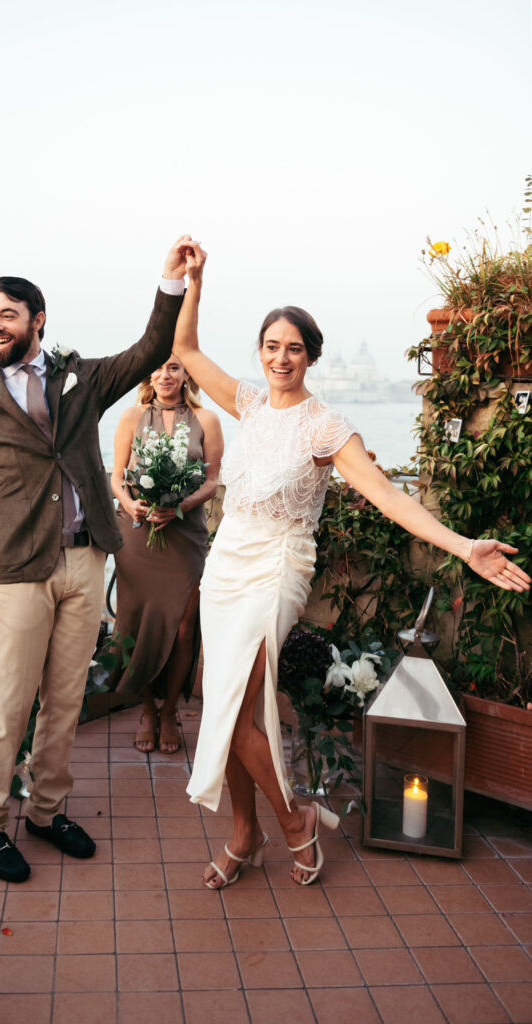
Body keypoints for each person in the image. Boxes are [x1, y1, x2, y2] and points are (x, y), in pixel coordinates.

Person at [172, 243, 531, 889]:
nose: (280, 358)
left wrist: (460, 546)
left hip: (277, 566)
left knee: (237, 705)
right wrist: (195, 282)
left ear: (311, 356)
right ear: (260, 351)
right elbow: (188, 350)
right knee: (219, 702)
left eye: (293, 348)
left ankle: (291, 823)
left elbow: (390, 497)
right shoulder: (248, 405)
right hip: (224, 565)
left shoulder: (324, 426)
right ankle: (243, 831)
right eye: (270, 346)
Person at [0, 236, 192, 883]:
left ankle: (44, 810)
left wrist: (169, 282)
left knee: (65, 700)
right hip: (17, 572)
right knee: (11, 703)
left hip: (86, 560)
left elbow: (150, 350)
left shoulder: (81, 378)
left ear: (38, 319)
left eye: (6, 314)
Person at [108, 356, 223, 753]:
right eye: (156, 367)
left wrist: (182, 505)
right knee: (135, 624)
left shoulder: (206, 419)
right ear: (148, 374)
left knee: (184, 627)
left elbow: (213, 479)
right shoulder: (131, 416)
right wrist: (131, 504)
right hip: (138, 535)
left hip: (185, 534)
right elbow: (116, 476)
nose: (165, 375)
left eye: (174, 367)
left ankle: (171, 710)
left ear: (186, 372)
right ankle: (147, 709)